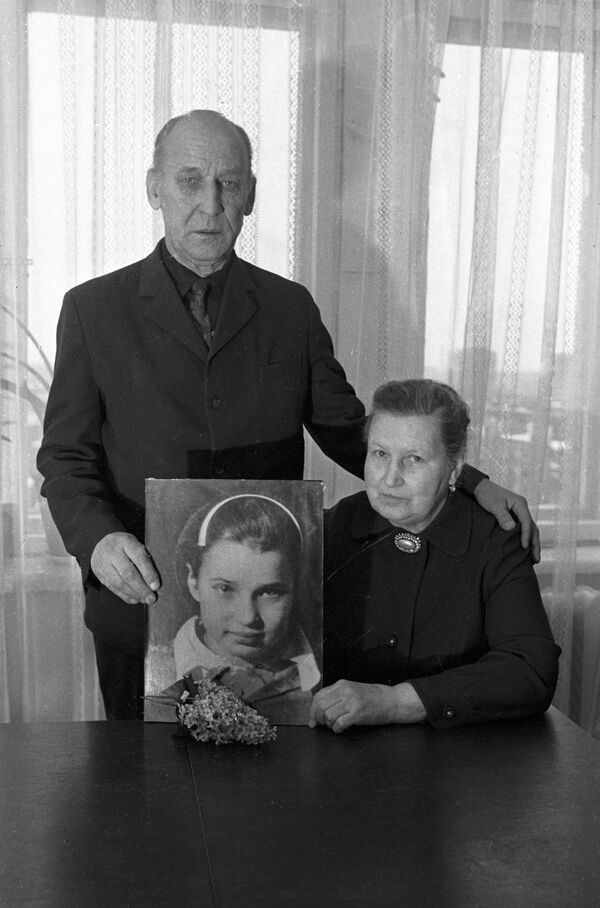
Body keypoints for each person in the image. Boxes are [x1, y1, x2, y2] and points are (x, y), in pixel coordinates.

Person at [37, 109, 539, 719]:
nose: (210, 204)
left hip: (270, 625)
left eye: (229, 183)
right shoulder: (92, 310)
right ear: (154, 188)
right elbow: (66, 459)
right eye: (190, 181)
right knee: (145, 797)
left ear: (250, 194)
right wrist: (98, 540)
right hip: (141, 601)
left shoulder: (290, 308)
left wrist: (472, 481)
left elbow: (352, 432)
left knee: (269, 801)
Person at [309, 379, 560, 733]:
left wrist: (397, 702)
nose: (389, 479)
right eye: (380, 454)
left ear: (454, 469)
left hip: (460, 767)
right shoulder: (329, 528)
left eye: (413, 459)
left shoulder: (494, 541)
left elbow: (531, 670)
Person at [145, 494, 320, 724]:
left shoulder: (319, 679)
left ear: (295, 588)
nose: (248, 617)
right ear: (193, 581)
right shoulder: (160, 675)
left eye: (269, 592)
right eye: (225, 588)